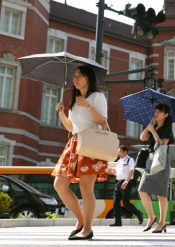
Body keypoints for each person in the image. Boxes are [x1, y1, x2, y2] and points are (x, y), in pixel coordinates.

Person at [52, 65, 110, 240]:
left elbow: (102, 121)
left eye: (80, 75)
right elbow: (71, 127)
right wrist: (62, 113)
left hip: (90, 143)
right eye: (74, 75)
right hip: (74, 143)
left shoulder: (97, 96)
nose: (75, 78)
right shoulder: (75, 100)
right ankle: (80, 220)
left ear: (89, 78)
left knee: (86, 189)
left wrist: (89, 105)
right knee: (59, 185)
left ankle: (87, 229)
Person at [138, 104, 174, 233]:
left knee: (161, 194)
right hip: (150, 160)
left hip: (161, 161)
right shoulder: (153, 125)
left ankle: (162, 222)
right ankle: (152, 216)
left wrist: (153, 131)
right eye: (156, 111)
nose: (156, 113)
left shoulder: (167, 129)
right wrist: (149, 127)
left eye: (160, 111)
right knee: (142, 190)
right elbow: (142, 138)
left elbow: (161, 144)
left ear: (166, 115)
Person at [109, 145, 144, 227]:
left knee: (126, 202)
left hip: (127, 183)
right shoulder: (119, 161)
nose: (119, 154)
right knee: (115, 203)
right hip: (118, 183)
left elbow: (131, 171)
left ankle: (138, 213)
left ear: (125, 152)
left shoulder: (130, 159)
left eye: (120, 152)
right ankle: (118, 222)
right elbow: (118, 174)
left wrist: (126, 181)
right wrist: (112, 171)